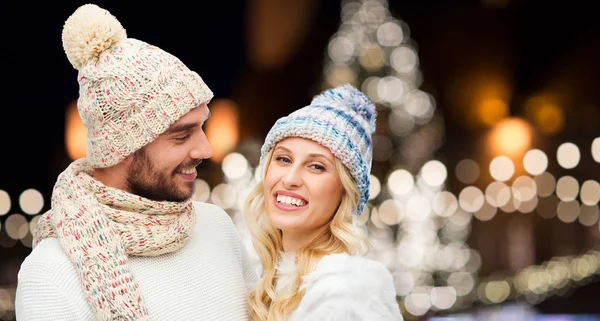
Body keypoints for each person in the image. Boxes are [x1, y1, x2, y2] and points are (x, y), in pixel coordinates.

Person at [15, 4, 256, 320]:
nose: (206, 149)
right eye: (182, 135)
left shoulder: (217, 228)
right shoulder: (52, 274)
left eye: (202, 126)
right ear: (122, 146)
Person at [244, 84, 403, 320]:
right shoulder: (262, 281)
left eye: (316, 166)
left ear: (345, 192)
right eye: (284, 159)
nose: (290, 179)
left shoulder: (346, 291)